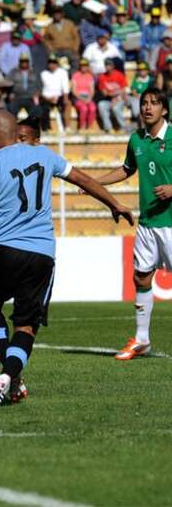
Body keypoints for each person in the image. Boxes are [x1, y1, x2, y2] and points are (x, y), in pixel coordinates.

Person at [0, 111, 132, 406]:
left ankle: (7, 375)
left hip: (5, 251)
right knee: (26, 327)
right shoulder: (45, 156)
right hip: (42, 254)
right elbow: (84, 179)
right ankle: (9, 378)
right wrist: (114, 203)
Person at [90, 89, 172, 361]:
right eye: (144, 103)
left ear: (165, 110)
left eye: (154, 103)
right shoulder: (136, 139)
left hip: (171, 223)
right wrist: (94, 183)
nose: (148, 107)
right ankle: (141, 339)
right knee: (141, 277)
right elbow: (126, 169)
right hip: (148, 223)